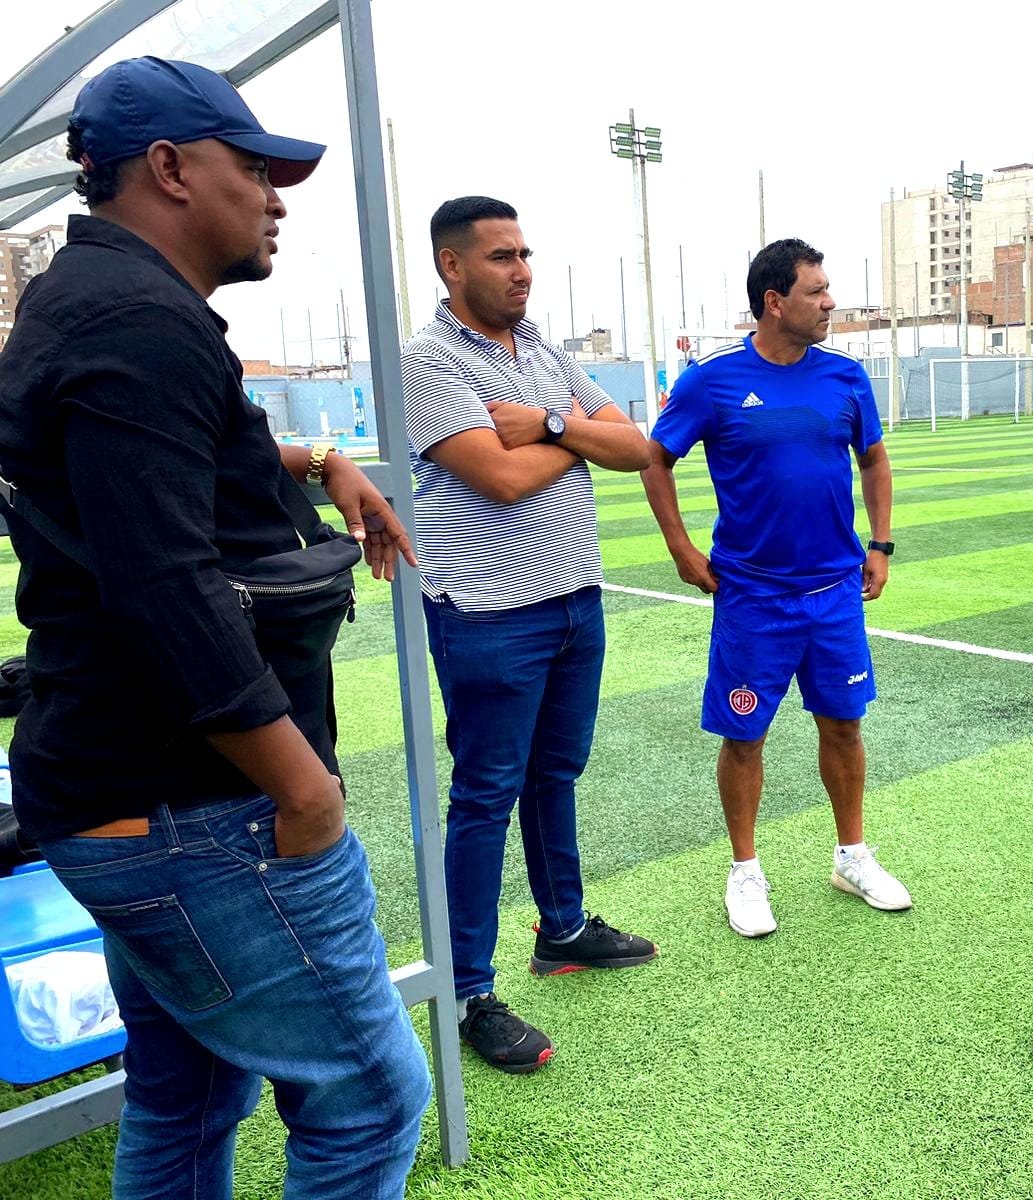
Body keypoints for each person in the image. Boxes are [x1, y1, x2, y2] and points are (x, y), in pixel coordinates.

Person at [0, 58, 429, 1197]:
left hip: (117, 789)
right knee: (374, 1100)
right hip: (190, 808)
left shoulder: (89, 296)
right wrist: (306, 793)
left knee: (187, 1092)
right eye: (255, 168)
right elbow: (164, 590)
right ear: (172, 170)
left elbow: (143, 471)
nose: (276, 195)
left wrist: (322, 457)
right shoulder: (136, 320)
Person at [400, 197, 656, 1074]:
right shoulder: (428, 361)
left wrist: (550, 424)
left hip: (572, 602)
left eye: (525, 253)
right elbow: (499, 480)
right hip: (487, 615)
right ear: (451, 266)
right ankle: (468, 990)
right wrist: (581, 439)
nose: (521, 269)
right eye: (501, 256)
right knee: (483, 798)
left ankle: (565, 928)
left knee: (555, 774)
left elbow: (639, 446)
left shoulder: (542, 350)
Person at [641, 238, 911, 939]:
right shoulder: (713, 380)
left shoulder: (845, 377)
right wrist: (679, 547)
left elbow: (875, 461)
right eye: (817, 291)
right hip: (752, 596)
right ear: (774, 301)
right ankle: (744, 870)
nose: (829, 303)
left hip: (833, 593)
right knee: (743, 735)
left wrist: (878, 544)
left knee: (844, 725)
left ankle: (851, 855)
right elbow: (654, 458)